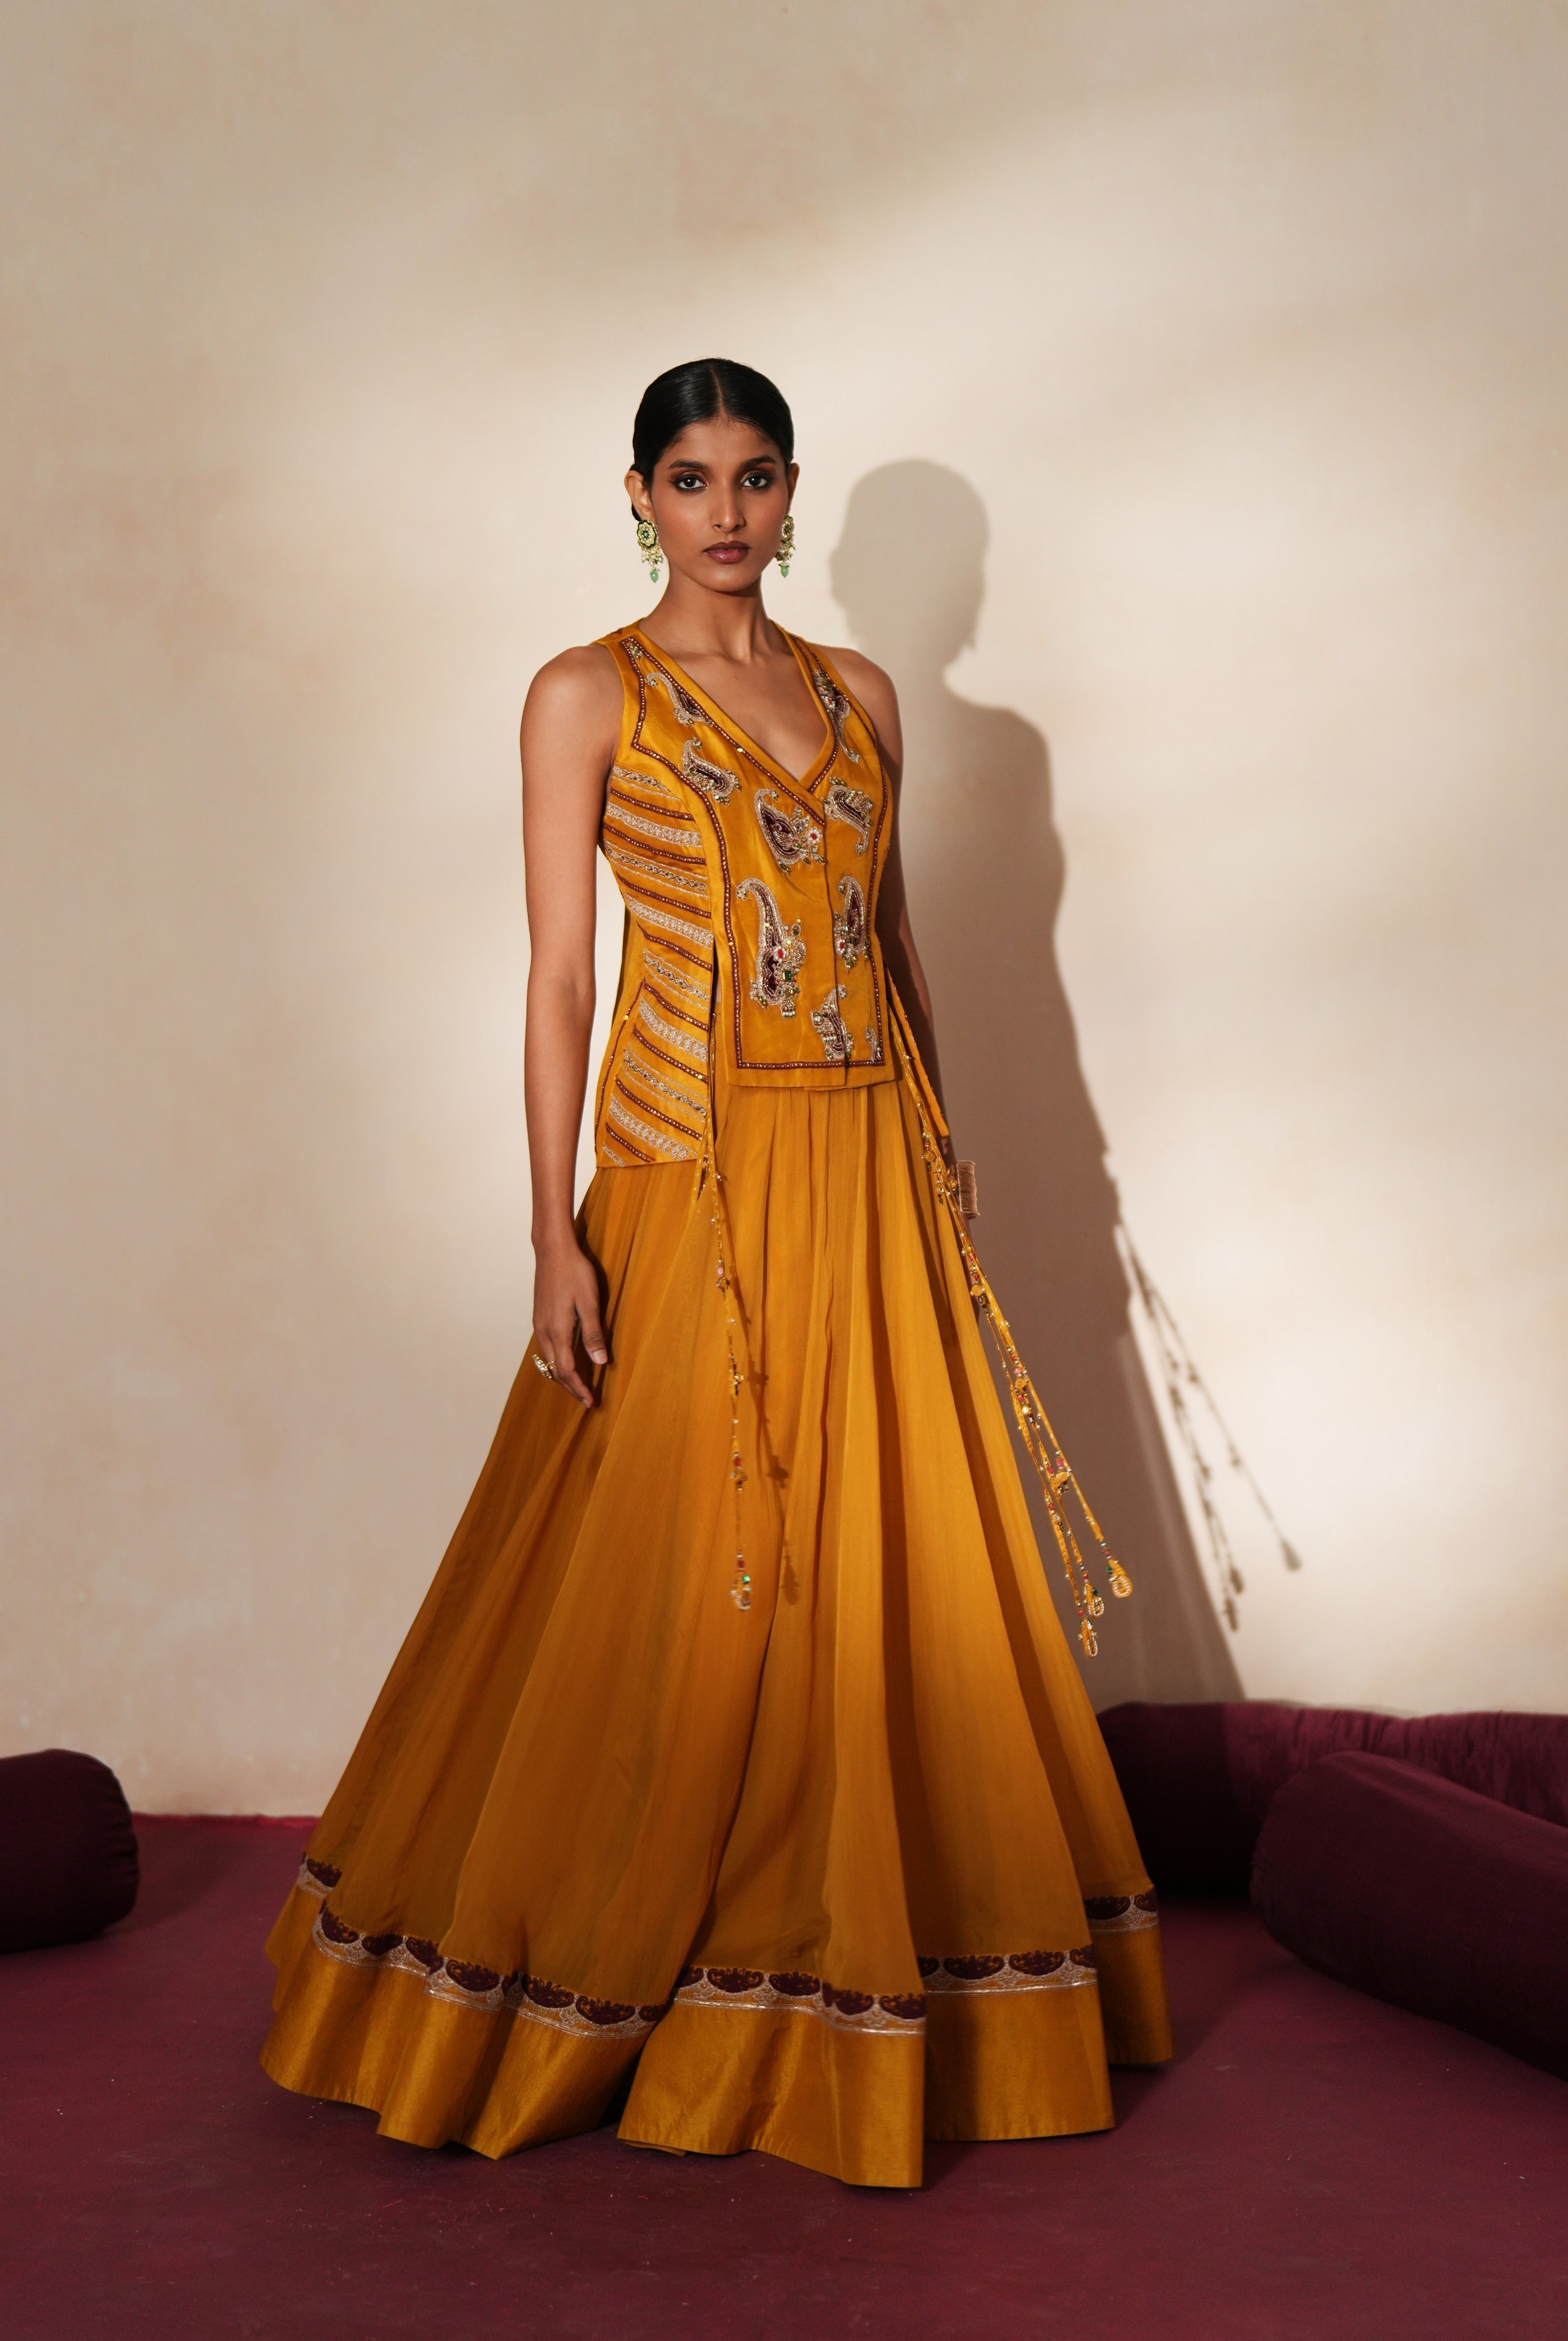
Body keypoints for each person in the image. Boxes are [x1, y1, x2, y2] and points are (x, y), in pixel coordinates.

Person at [260, 359, 1171, 2189]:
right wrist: (551, 1232)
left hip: (869, 1164)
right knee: (679, 1561)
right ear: (638, 497)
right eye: (692, 480)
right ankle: (610, 1965)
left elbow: (890, 933)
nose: (729, 513)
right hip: (692, 1175)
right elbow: (555, 980)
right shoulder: (586, 692)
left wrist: (945, 1149)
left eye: (757, 478)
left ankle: (853, 1960)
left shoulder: (862, 693)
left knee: (883, 1551)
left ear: (792, 492)